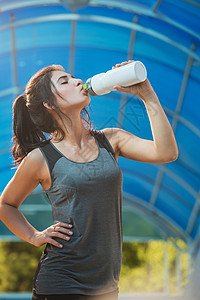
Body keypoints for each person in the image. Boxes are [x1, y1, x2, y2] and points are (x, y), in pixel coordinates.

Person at [0, 60, 178, 300]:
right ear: (49, 104)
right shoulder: (41, 158)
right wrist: (34, 236)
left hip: (105, 287)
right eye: (65, 81)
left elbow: (166, 152)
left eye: (73, 77)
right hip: (60, 284)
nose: (77, 81)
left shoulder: (111, 140)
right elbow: (5, 205)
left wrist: (147, 94)